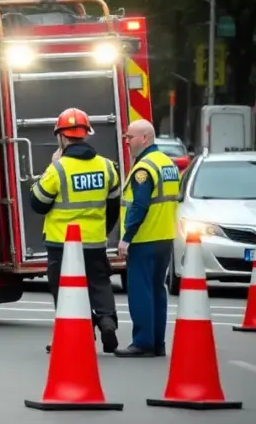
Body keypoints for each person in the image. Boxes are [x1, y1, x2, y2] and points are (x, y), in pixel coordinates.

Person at [30, 108, 121, 353]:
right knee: (99, 282)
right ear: (86, 134)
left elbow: (37, 204)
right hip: (94, 241)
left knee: (64, 288)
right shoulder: (107, 166)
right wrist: (104, 231)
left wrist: (50, 166)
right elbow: (113, 206)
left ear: (61, 137)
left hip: (62, 244)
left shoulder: (57, 169)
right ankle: (107, 320)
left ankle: (74, 334)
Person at [115, 119, 179, 357]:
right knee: (157, 290)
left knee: (141, 291)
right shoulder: (168, 163)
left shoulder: (144, 168)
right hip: (164, 238)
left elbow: (139, 206)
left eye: (130, 137)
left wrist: (126, 238)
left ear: (144, 138)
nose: (127, 142)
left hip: (145, 238)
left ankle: (142, 343)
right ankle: (157, 343)